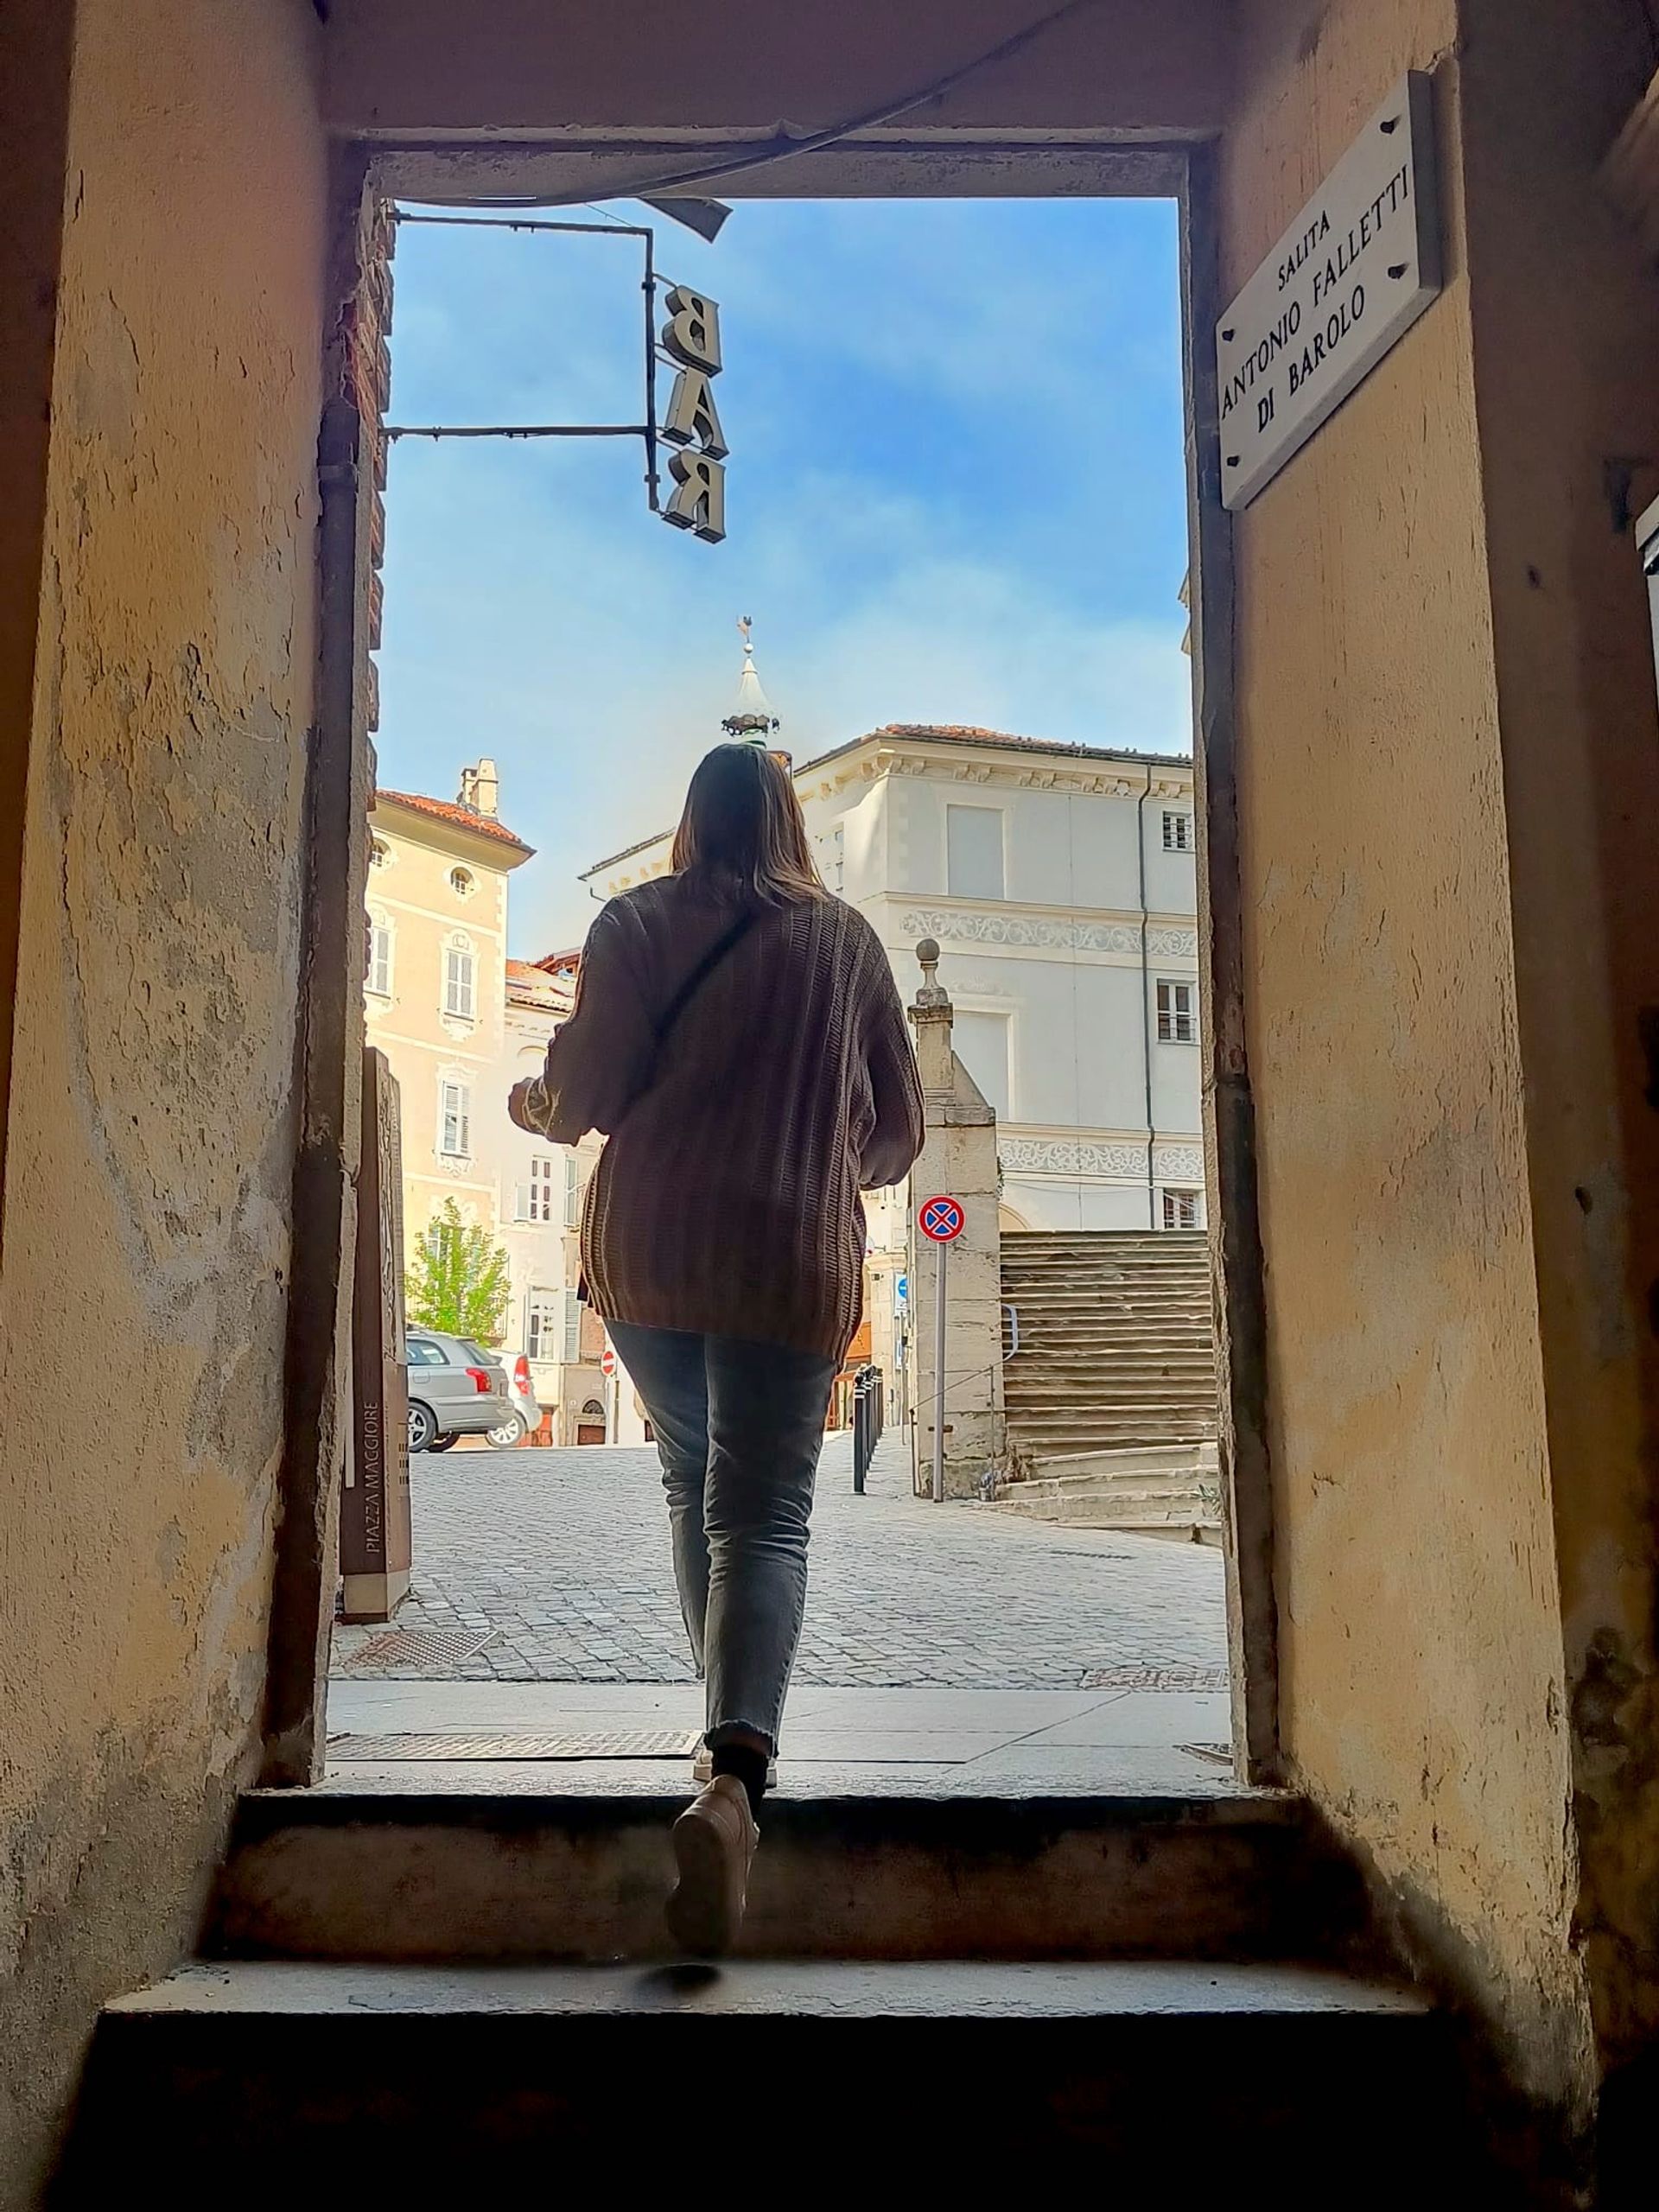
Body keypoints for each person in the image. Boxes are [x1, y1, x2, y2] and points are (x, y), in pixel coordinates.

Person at [509, 744, 924, 1955]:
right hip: (784, 1252)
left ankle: (719, 1750)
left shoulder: (631, 922)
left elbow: (578, 1096)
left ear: (690, 818)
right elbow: (897, 1129)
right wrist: (815, 1155)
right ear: (792, 819)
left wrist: (545, 1105)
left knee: (694, 1484)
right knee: (766, 1512)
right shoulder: (845, 943)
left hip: (647, 1253)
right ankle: (735, 1777)